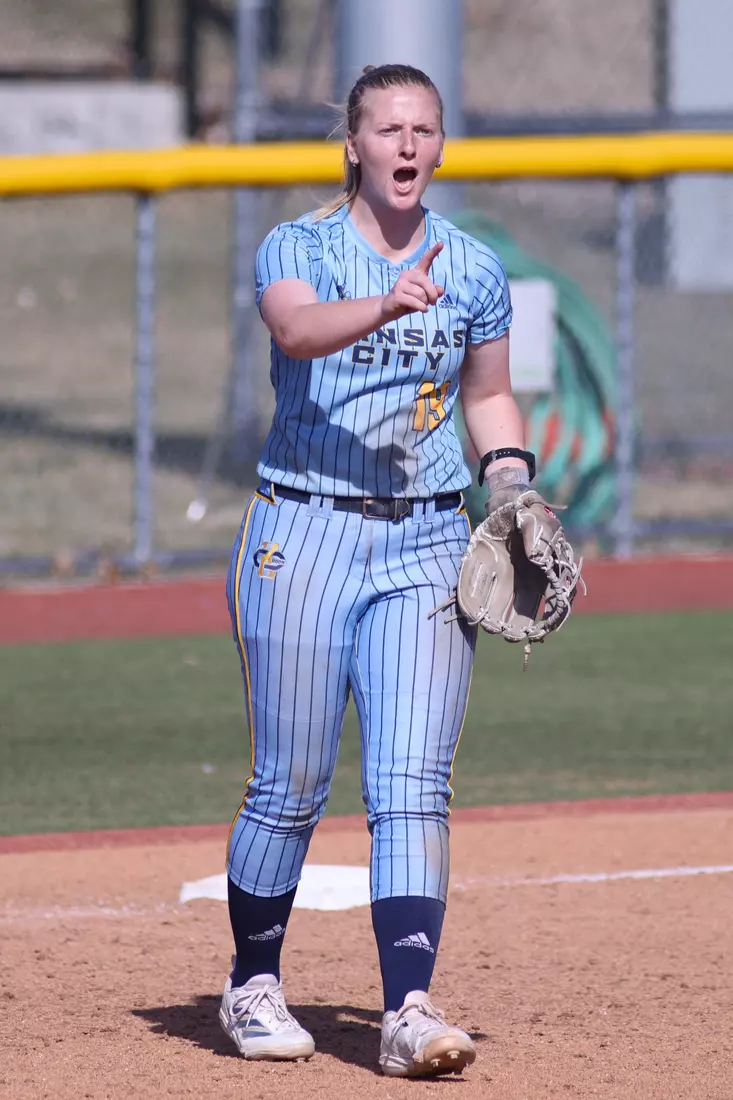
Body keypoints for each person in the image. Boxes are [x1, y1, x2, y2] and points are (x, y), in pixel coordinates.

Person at [220, 62, 535, 1078]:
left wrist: (512, 484)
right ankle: (254, 980)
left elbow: (488, 394)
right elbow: (295, 327)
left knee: (411, 782)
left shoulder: (471, 267)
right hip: (301, 532)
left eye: (423, 129)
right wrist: (387, 305)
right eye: (387, 127)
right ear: (353, 144)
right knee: (292, 780)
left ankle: (406, 1006)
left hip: (425, 540)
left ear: (440, 146)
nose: (406, 145)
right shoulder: (298, 245)